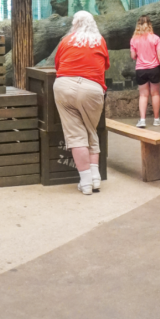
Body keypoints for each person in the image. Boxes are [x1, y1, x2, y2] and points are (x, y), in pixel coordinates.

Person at [52, 11, 111, 195]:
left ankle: (85, 183)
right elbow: (105, 65)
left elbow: (58, 64)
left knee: (76, 135)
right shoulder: (99, 40)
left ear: (75, 23)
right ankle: (95, 178)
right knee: (90, 131)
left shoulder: (67, 40)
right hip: (92, 89)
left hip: (64, 86)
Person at [127, 16, 160, 127]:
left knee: (143, 95)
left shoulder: (134, 39)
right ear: (150, 24)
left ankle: (142, 120)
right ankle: (156, 119)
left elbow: (133, 56)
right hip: (154, 69)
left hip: (140, 69)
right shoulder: (155, 38)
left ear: (138, 25)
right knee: (155, 94)